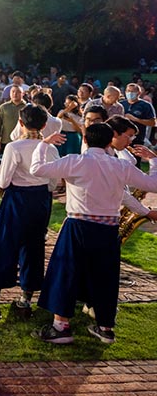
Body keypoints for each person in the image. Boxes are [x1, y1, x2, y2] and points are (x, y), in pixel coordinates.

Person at [30, 123, 157, 345]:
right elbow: (153, 184)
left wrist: (43, 144)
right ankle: (105, 327)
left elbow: (37, 169)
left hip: (78, 225)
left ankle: (61, 327)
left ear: (85, 140)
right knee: (105, 277)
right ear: (109, 143)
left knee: (66, 273)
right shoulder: (120, 166)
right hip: (107, 228)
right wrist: (153, 160)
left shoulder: (75, 161)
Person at [0, 105, 57, 321]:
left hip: (17, 199)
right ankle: (25, 301)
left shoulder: (14, 147)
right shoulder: (51, 148)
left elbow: (4, 181)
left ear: (21, 123)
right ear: (44, 125)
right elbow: (53, 183)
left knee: (2, 246)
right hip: (40, 200)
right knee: (34, 248)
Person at [0, 85, 26, 155]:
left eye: (18, 92)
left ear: (23, 93)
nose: (15, 94)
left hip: (23, 141)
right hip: (6, 140)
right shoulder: (3, 107)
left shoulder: (27, 107)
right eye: (13, 92)